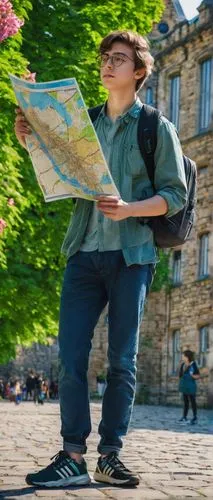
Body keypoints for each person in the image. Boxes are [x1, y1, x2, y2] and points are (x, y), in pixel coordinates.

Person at [14, 30, 187, 488]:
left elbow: (175, 194)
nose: (107, 64)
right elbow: (59, 178)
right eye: (105, 58)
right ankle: (72, 455)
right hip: (84, 253)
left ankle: (110, 455)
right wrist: (31, 139)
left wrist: (131, 208)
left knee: (122, 361)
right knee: (70, 357)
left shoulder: (156, 127)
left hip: (132, 256)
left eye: (119, 58)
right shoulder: (83, 124)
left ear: (139, 71)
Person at [178, 350, 200, 425]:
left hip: (191, 386)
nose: (182, 357)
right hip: (184, 386)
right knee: (185, 402)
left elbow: (197, 375)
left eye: (183, 356)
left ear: (187, 357)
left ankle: (195, 417)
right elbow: (180, 375)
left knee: (193, 401)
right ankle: (184, 416)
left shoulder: (193, 364)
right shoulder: (183, 365)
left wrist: (192, 375)